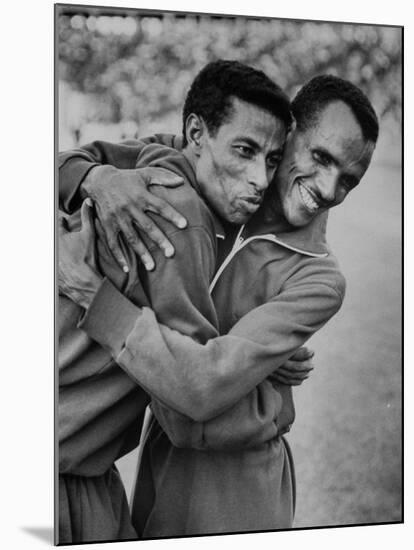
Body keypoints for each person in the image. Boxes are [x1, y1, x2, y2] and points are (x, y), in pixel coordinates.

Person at [59, 72, 378, 538]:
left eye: (349, 179)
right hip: (160, 460)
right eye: (321, 158)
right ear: (287, 134)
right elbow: (68, 161)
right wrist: (98, 178)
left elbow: (198, 394)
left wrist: (95, 296)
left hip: (237, 484)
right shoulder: (200, 173)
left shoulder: (319, 278)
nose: (329, 190)